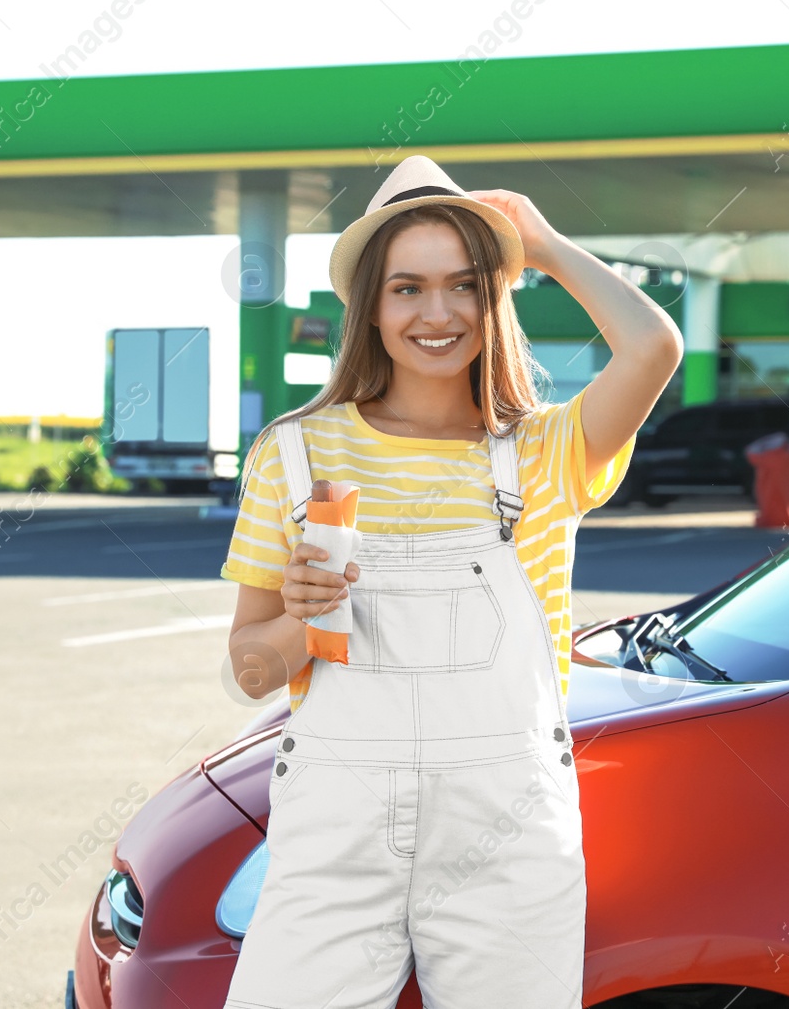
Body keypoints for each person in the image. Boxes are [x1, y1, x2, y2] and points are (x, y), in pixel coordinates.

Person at [218, 154, 682, 1008]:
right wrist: (297, 619)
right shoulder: (294, 452)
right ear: (370, 304)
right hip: (335, 826)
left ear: (494, 299)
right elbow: (250, 670)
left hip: (507, 831)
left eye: (465, 284)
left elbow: (654, 345)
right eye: (406, 288)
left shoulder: (547, 451)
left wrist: (539, 243)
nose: (437, 313)